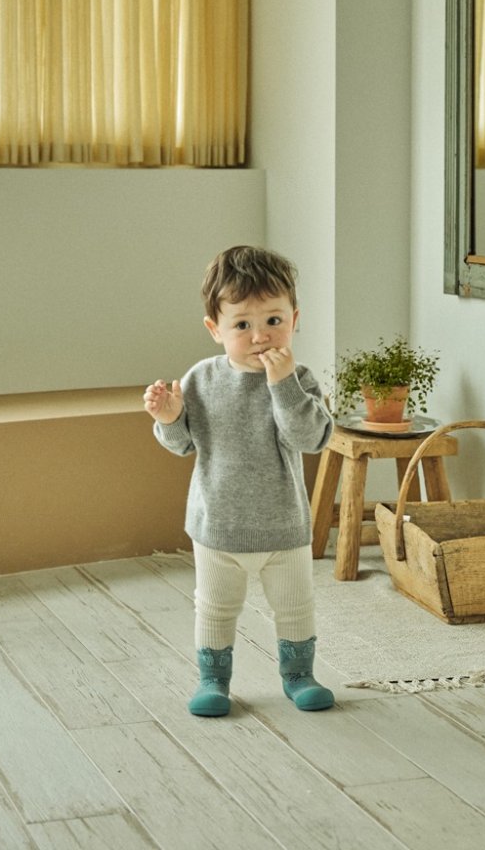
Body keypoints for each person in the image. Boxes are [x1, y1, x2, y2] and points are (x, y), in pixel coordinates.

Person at [143, 245, 335, 717]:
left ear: (294, 320)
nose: (260, 336)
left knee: (295, 607)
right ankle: (213, 680)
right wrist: (169, 417)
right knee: (214, 608)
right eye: (242, 325)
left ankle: (299, 676)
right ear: (216, 329)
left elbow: (311, 438)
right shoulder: (201, 380)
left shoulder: (300, 380)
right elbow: (182, 445)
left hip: (283, 527)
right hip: (218, 527)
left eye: (273, 320)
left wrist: (283, 384)